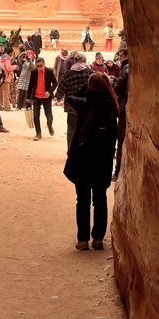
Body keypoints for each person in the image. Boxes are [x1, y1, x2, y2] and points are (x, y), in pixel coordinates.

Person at [63, 73, 118, 251]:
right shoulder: (112, 106)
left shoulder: (86, 103)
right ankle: (98, 239)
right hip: (102, 159)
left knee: (83, 200)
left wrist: (86, 88)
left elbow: (69, 97)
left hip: (83, 159)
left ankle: (83, 240)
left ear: (90, 87)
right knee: (100, 199)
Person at [55, 52, 92, 149]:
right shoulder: (90, 72)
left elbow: (61, 87)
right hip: (86, 106)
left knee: (71, 129)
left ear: (75, 60)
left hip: (72, 107)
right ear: (84, 60)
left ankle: (71, 150)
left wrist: (58, 97)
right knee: (85, 129)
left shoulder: (69, 73)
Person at [26, 56, 57, 139]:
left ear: (44, 64)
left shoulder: (49, 71)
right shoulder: (34, 72)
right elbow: (30, 85)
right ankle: (38, 133)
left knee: (49, 116)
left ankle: (49, 125)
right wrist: (28, 97)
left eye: (41, 65)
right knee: (36, 116)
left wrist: (49, 92)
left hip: (46, 97)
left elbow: (55, 83)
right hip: (36, 96)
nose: (39, 67)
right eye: (38, 66)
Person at [112, 49, 129, 180]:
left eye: (121, 56)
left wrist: (114, 82)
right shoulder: (129, 68)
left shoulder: (126, 69)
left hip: (124, 109)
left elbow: (118, 88)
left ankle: (117, 172)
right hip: (127, 107)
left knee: (121, 139)